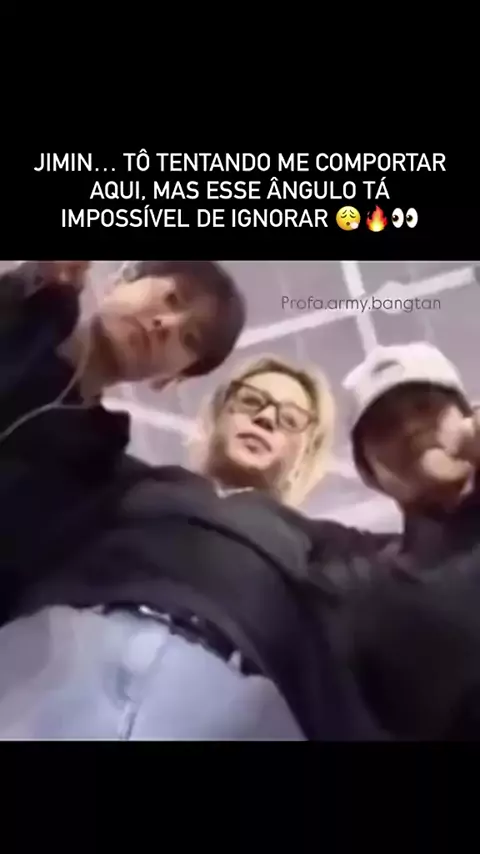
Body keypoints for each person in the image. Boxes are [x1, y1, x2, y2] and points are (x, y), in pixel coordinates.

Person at [0, 352, 381, 740]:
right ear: (217, 414)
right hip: (64, 654)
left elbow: (412, 580)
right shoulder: (129, 478)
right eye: (251, 401)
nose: (265, 418)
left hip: (223, 703)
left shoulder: (321, 545)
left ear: (305, 452)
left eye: (290, 420)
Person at [0, 259, 245, 617]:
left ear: (170, 379)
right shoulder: (21, 314)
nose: (166, 324)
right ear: (120, 281)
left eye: (189, 339)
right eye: (173, 298)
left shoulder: (97, 472)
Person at [335, 342, 480, 739]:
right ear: (369, 473)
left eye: (426, 406)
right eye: (384, 427)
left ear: (468, 417)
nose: (411, 428)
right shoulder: (374, 603)